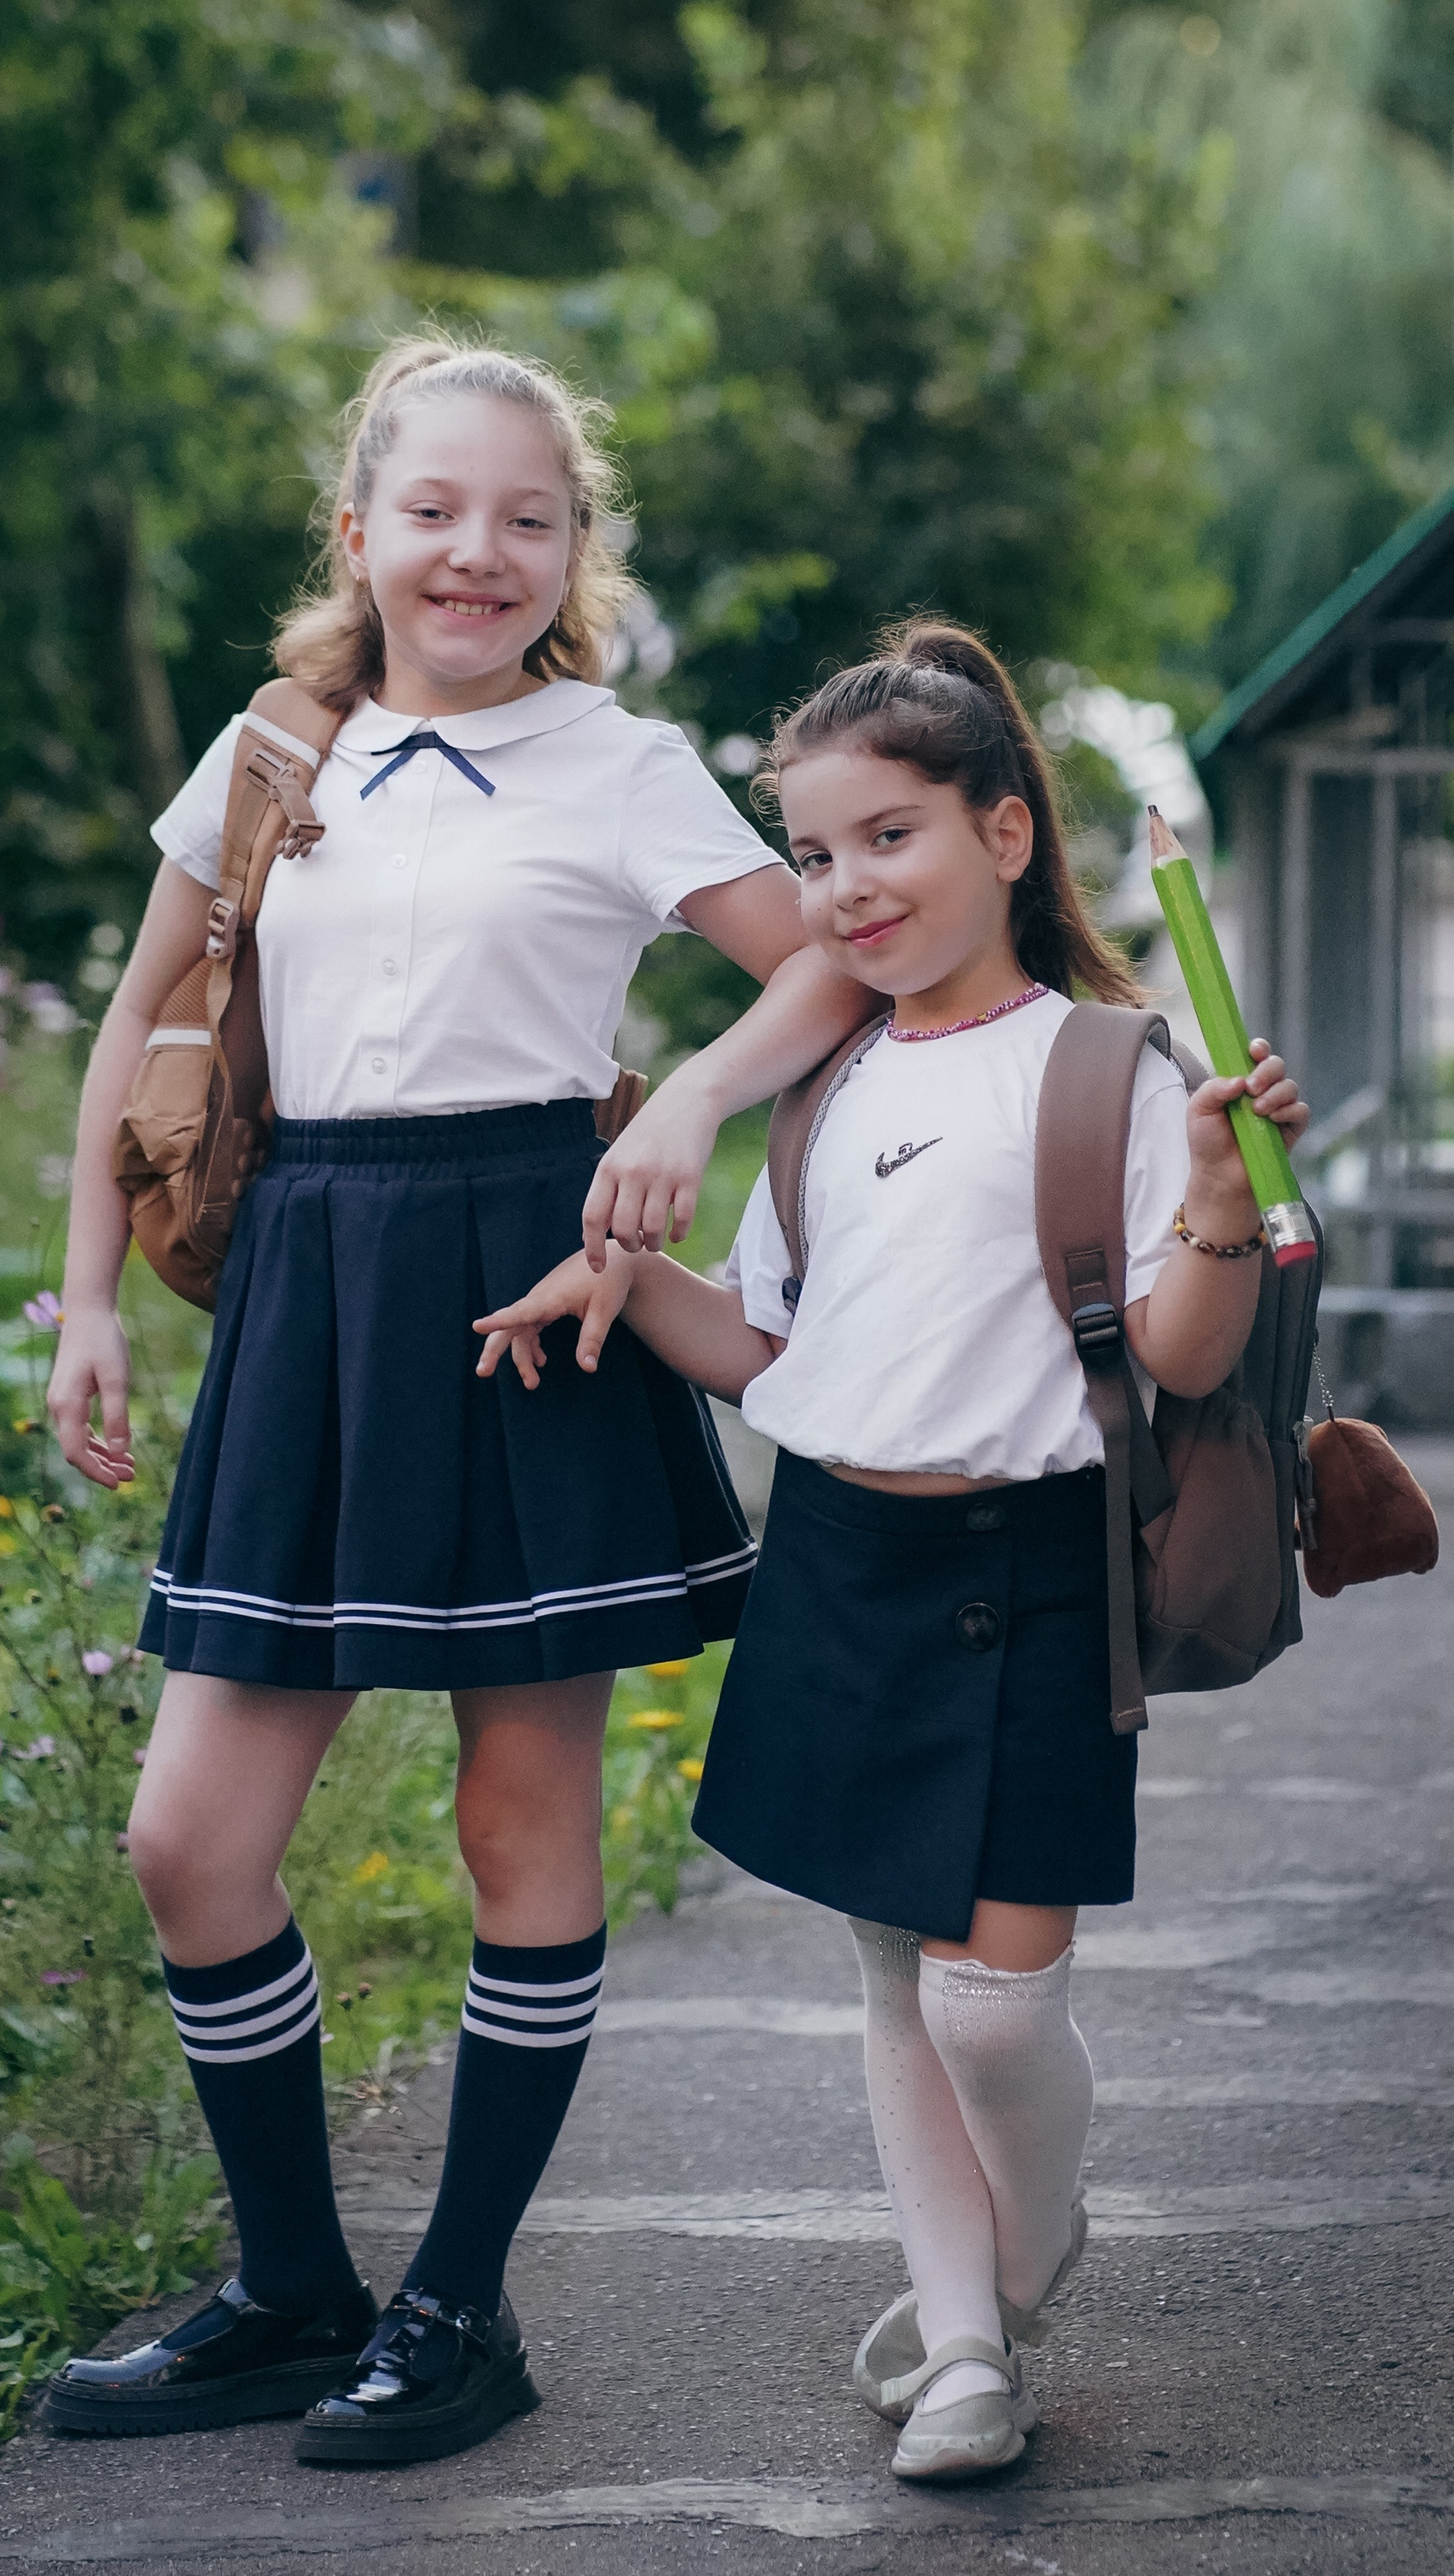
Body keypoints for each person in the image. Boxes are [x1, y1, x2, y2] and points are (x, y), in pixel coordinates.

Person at [39, 334, 871, 2463]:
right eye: (434, 510)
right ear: (359, 534)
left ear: (573, 548)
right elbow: (140, 1029)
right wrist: (90, 1312)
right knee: (188, 1839)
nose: (477, 551)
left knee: (521, 1823)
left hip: (534, 1284)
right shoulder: (263, 757)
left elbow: (826, 959)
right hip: (308, 1283)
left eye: (527, 517)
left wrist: (683, 1093)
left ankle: (461, 2310)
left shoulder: (622, 760)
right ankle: (295, 2290)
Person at [474, 621, 1309, 2483]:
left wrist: (1229, 1210)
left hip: (1036, 1570)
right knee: (888, 1981)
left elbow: (1174, 1360)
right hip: (841, 1565)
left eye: (890, 838)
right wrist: (621, 1283)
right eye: (814, 855)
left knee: (994, 2001)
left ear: (1007, 835)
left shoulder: (1112, 1065)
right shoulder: (822, 1089)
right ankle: (962, 2351)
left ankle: (1030, 2241)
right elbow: (782, 1359)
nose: (846, 889)